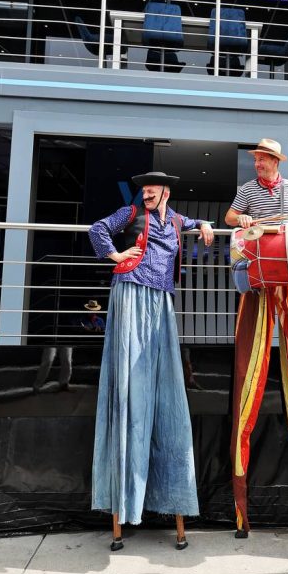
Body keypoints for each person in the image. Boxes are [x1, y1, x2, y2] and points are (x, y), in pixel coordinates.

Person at [88, 171, 214, 546]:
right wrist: (115, 254)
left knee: (164, 389)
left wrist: (205, 224)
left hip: (161, 300)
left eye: (152, 189)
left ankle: (168, 499)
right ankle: (124, 503)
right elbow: (98, 229)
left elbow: (192, 221)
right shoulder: (130, 214)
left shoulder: (174, 220)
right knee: (131, 385)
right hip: (130, 293)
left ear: (165, 193)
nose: (146, 193)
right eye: (144, 189)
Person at [225, 138, 288, 541]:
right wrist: (243, 218)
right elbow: (230, 216)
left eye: (263, 160)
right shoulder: (248, 190)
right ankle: (242, 515)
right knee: (248, 364)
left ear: (275, 161)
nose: (258, 164)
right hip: (260, 276)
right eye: (257, 159)